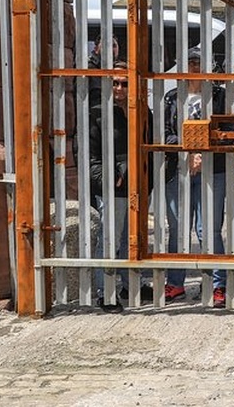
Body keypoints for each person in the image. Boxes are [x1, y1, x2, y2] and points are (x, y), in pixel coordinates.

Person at [162, 47, 234, 308]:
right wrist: (189, 151)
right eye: (190, 62)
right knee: (178, 230)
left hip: (213, 169)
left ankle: (217, 285)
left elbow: (229, 129)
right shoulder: (171, 98)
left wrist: (205, 151)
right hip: (177, 171)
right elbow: (164, 133)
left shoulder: (219, 95)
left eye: (198, 63)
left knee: (209, 229)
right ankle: (176, 283)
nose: (194, 67)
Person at [88, 60, 154, 312]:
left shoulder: (143, 111)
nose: (119, 88)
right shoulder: (98, 112)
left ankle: (130, 284)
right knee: (110, 238)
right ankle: (105, 292)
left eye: (124, 83)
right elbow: (90, 154)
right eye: (114, 83)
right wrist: (108, 178)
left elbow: (149, 145)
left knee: (132, 238)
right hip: (112, 186)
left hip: (138, 184)